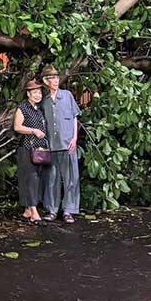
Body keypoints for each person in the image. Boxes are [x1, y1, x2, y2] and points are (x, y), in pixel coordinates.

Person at [40, 64, 82, 223]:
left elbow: (75, 117)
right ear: (46, 81)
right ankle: (52, 210)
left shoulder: (67, 95)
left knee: (71, 179)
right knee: (52, 179)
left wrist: (75, 138)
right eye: (52, 78)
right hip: (51, 146)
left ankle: (69, 211)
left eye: (57, 78)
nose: (55, 81)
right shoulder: (44, 102)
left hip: (68, 144)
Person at [13, 78, 49, 224]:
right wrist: (33, 130)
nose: (38, 95)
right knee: (30, 179)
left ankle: (28, 210)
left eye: (39, 92)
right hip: (27, 148)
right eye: (34, 92)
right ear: (28, 94)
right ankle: (34, 212)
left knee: (38, 179)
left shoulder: (39, 110)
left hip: (40, 149)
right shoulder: (22, 108)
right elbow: (17, 127)